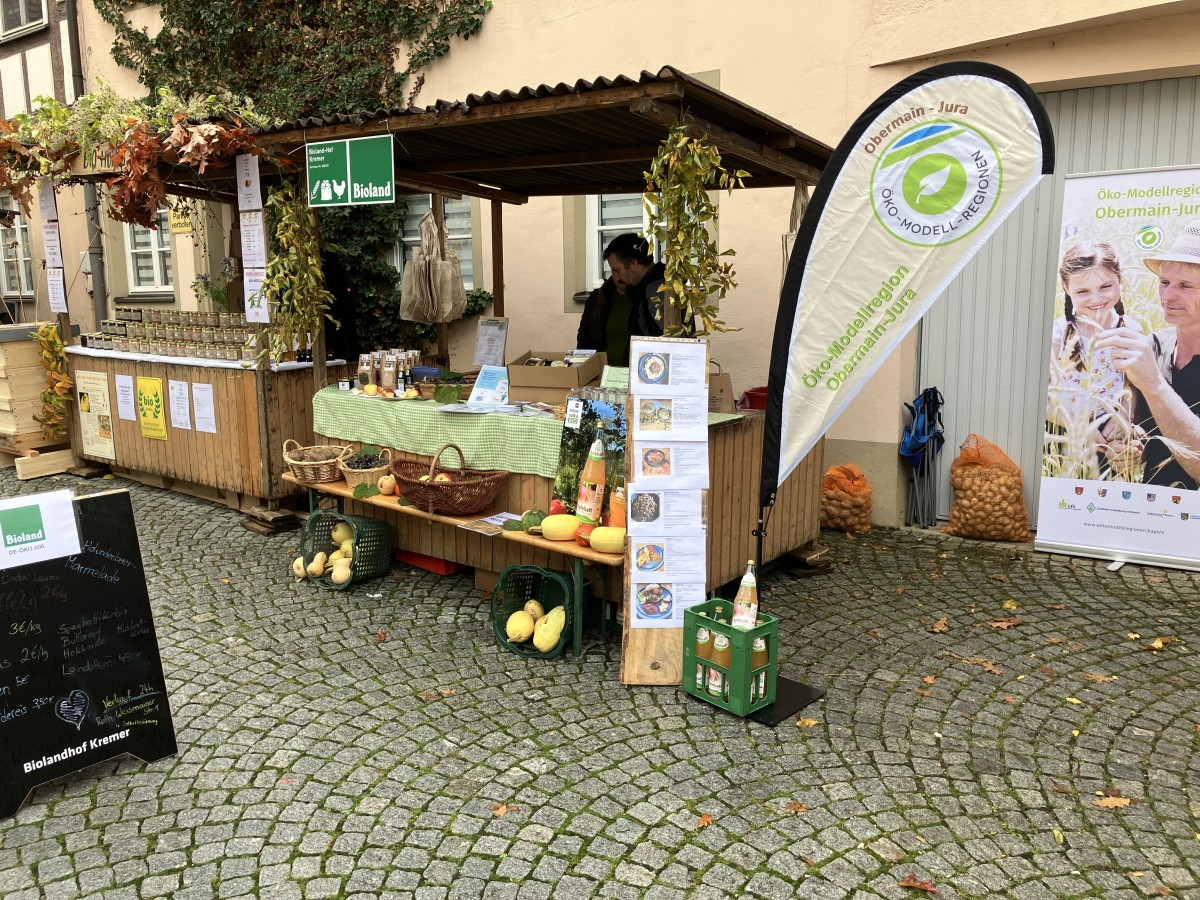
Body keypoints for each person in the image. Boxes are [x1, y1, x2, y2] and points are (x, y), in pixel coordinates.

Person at [1096, 221, 1200, 490]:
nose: (1167, 295)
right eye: (1164, 282)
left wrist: (1153, 383)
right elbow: (1140, 432)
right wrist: (1129, 450)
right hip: (1149, 517)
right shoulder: (1152, 346)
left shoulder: (1147, 364)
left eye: (1185, 286)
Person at [1044, 242, 1143, 476]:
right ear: (1066, 288)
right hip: (1063, 433)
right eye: (1083, 291)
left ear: (1120, 279)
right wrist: (1081, 429)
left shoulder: (1131, 330)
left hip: (1112, 435)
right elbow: (1042, 396)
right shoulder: (1058, 335)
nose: (1095, 298)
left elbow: (1134, 386)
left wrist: (1123, 415)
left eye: (1105, 286)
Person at [603, 232, 695, 338]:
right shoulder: (657, 283)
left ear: (634, 264)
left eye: (617, 270)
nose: (616, 277)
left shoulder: (657, 290)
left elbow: (670, 341)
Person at [576, 274, 636, 367]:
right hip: (602, 372)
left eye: (621, 270)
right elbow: (584, 336)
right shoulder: (599, 297)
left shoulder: (643, 298)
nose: (618, 277)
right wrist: (581, 367)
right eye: (615, 270)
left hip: (633, 371)